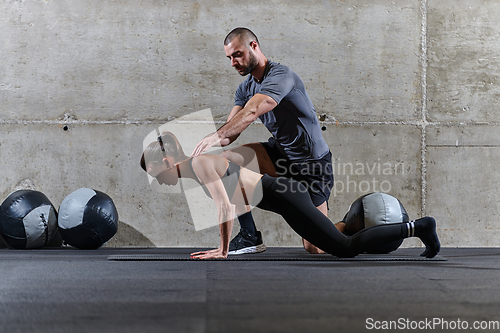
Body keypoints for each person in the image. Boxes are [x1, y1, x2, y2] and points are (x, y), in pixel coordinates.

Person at [141, 132, 440, 260]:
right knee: (335, 246)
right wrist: (250, 237)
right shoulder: (198, 168)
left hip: (287, 194)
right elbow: (238, 199)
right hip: (285, 199)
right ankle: (417, 228)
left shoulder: (200, 163)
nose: (155, 178)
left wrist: (221, 250)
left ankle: (419, 227)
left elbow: (224, 205)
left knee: (345, 248)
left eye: (153, 171)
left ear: (166, 163)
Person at [191, 27, 335, 255]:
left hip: (312, 165)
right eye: (229, 58)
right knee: (225, 161)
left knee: (315, 247)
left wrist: (216, 136)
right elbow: (231, 131)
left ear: (254, 46)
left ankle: (352, 224)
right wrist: (201, 153)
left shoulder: (281, 76)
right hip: (279, 155)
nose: (233, 63)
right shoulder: (245, 87)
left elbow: (252, 111)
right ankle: (249, 235)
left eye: (237, 54)